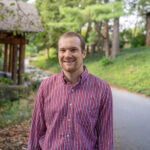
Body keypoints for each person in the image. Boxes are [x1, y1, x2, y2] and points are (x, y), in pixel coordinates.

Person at [28, 32, 113, 150]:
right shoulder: (45, 86)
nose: (67, 55)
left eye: (73, 49)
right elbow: (36, 132)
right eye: (62, 50)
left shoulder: (102, 89)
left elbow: (105, 137)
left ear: (83, 53)